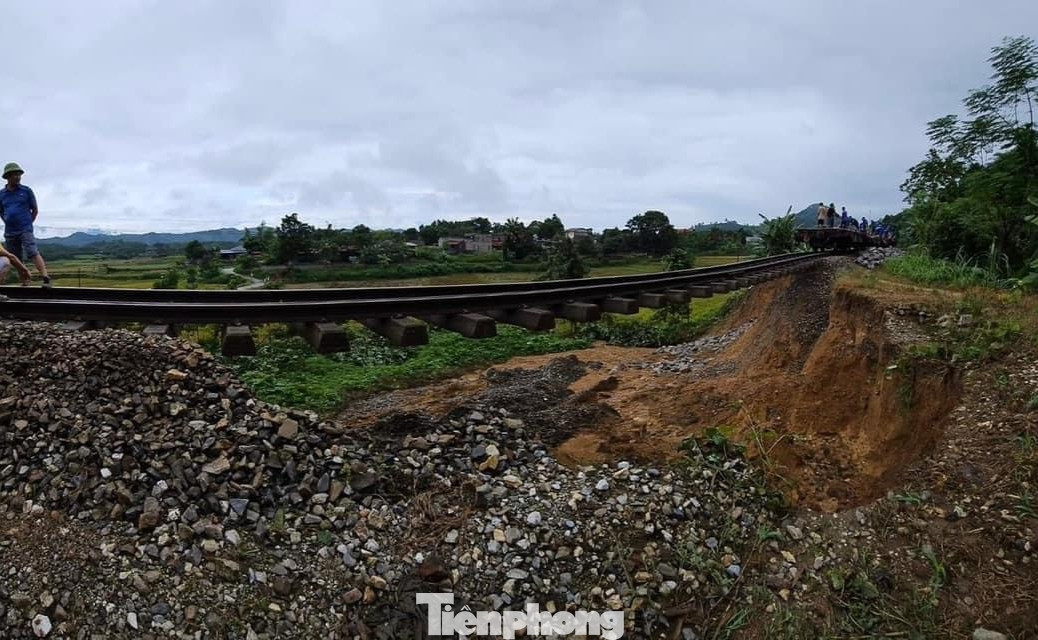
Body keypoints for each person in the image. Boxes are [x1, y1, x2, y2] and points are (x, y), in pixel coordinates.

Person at [0, 162, 51, 287]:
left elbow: (35, 210)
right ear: (8, 177)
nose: (17, 177)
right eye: (14, 175)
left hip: (25, 229)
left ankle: (45, 277)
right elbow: (1, 212)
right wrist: (7, 220)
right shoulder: (1, 194)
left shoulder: (26, 191)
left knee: (32, 251)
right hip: (10, 231)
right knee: (16, 257)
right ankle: (25, 282)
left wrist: (28, 223)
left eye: (19, 174)